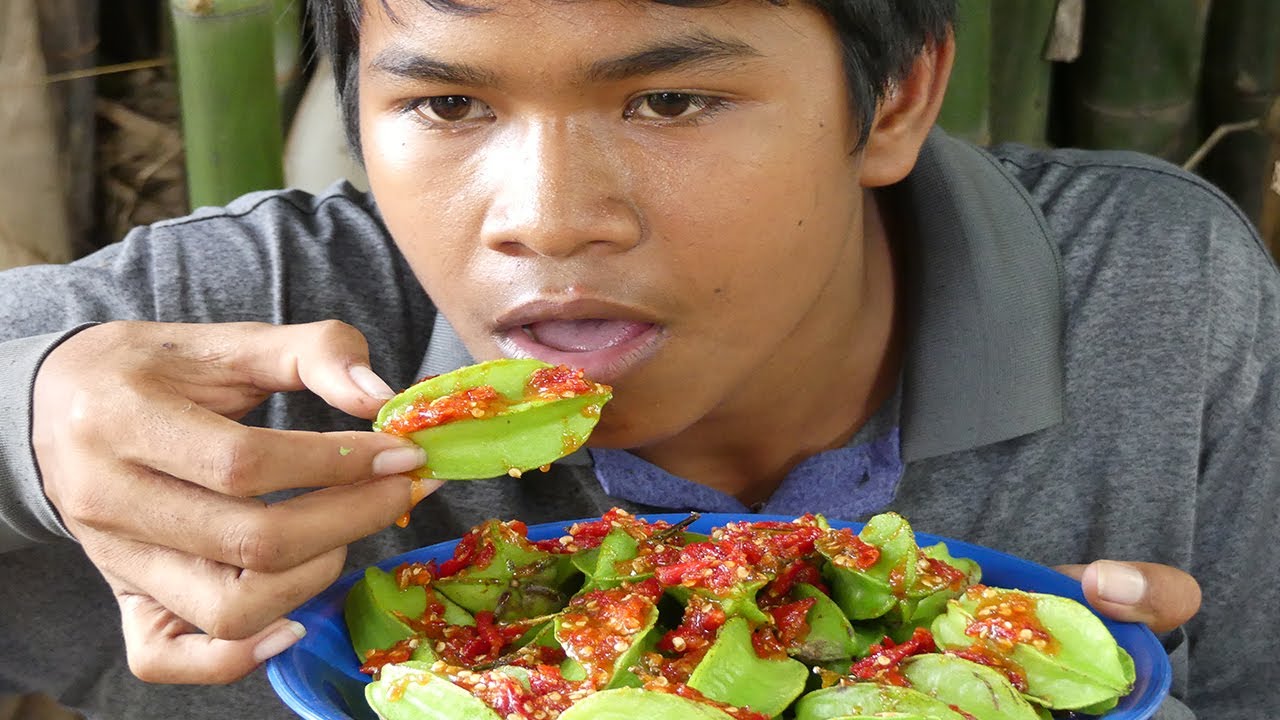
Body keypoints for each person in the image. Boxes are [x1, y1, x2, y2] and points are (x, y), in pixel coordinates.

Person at [0, 1, 1273, 718]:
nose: (547, 218)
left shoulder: (1149, 289)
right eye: (448, 105)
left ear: (890, 102)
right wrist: (28, 423)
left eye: (667, 102)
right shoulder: (251, 324)